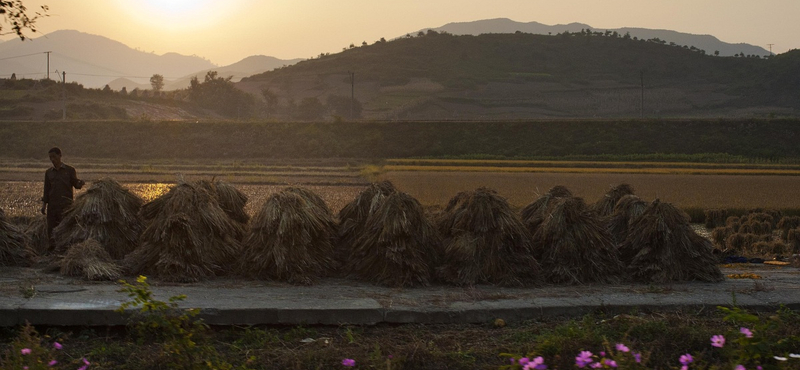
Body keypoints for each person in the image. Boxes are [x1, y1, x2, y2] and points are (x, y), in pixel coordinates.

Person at [41, 147, 85, 250]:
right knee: (51, 229)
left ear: (60, 156)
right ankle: (51, 250)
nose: (52, 159)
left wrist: (80, 183)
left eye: (54, 157)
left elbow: (76, 184)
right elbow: (46, 190)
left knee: (64, 228)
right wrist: (44, 205)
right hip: (52, 206)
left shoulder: (69, 170)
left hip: (66, 205)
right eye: (50, 157)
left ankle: (64, 249)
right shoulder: (48, 172)